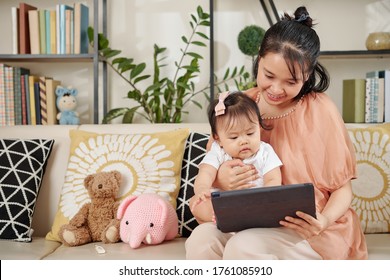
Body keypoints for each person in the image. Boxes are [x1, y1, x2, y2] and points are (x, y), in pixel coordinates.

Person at [185, 6, 368, 260]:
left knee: (244, 247)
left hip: (307, 230)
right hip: (246, 221)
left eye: (291, 82)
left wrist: (323, 220)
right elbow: (211, 171)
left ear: (307, 76)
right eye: (269, 75)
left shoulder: (319, 109)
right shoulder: (239, 105)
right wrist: (221, 181)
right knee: (202, 240)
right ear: (259, 61)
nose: (276, 89)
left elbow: (342, 189)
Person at [189, 91, 282, 224]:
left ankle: (244, 218)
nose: (243, 141)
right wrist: (202, 190)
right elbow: (205, 173)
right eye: (234, 137)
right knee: (195, 203)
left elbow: (273, 178)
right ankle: (219, 215)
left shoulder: (265, 151)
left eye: (250, 133)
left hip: (254, 204)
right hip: (223, 203)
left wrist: (264, 198)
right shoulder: (218, 152)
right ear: (218, 139)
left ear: (259, 129)